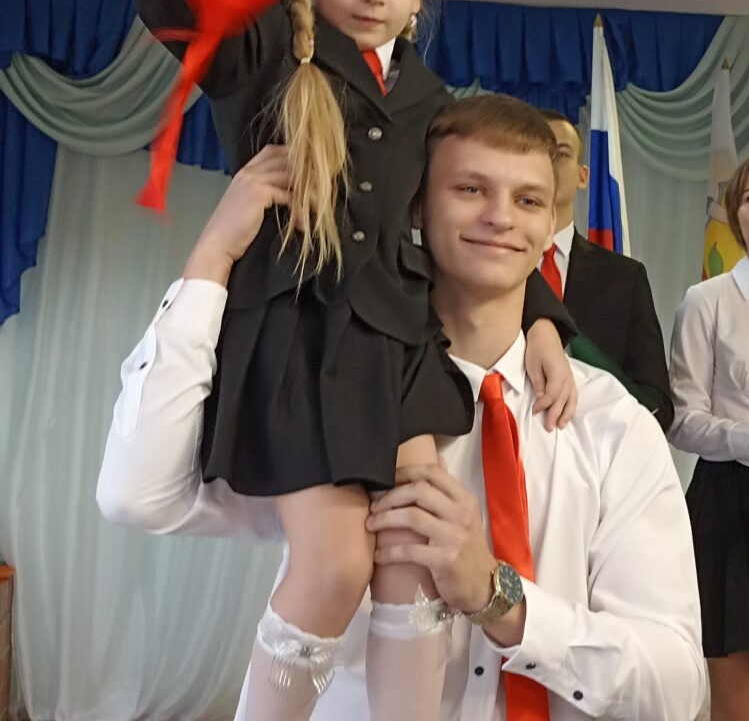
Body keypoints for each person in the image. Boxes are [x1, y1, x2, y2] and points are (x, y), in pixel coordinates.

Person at [108, 0, 578, 721]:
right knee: (332, 564)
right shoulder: (270, 59)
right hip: (296, 348)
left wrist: (540, 321)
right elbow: (181, 6)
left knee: (411, 560)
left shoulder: (432, 102)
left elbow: (471, 226)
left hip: (393, 353)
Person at [98, 94, 705, 721]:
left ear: (550, 219)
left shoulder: (612, 425)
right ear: (415, 204)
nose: (501, 217)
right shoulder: (328, 394)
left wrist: (499, 598)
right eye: (470, 189)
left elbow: (677, 687)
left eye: (528, 200)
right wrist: (211, 261)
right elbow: (137, 495)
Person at [668, 150, 749, 721]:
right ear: (735, 214)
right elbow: (682, 419)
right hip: (732, 505)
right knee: (740, 698)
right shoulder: (705, 301)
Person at [538, 109, 673, 429]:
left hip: (597, 446)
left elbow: (657, 404)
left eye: (560, 153)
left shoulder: (624, 279)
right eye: (536, 152)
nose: (548, 163)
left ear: (583, 176)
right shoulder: (487, 267)